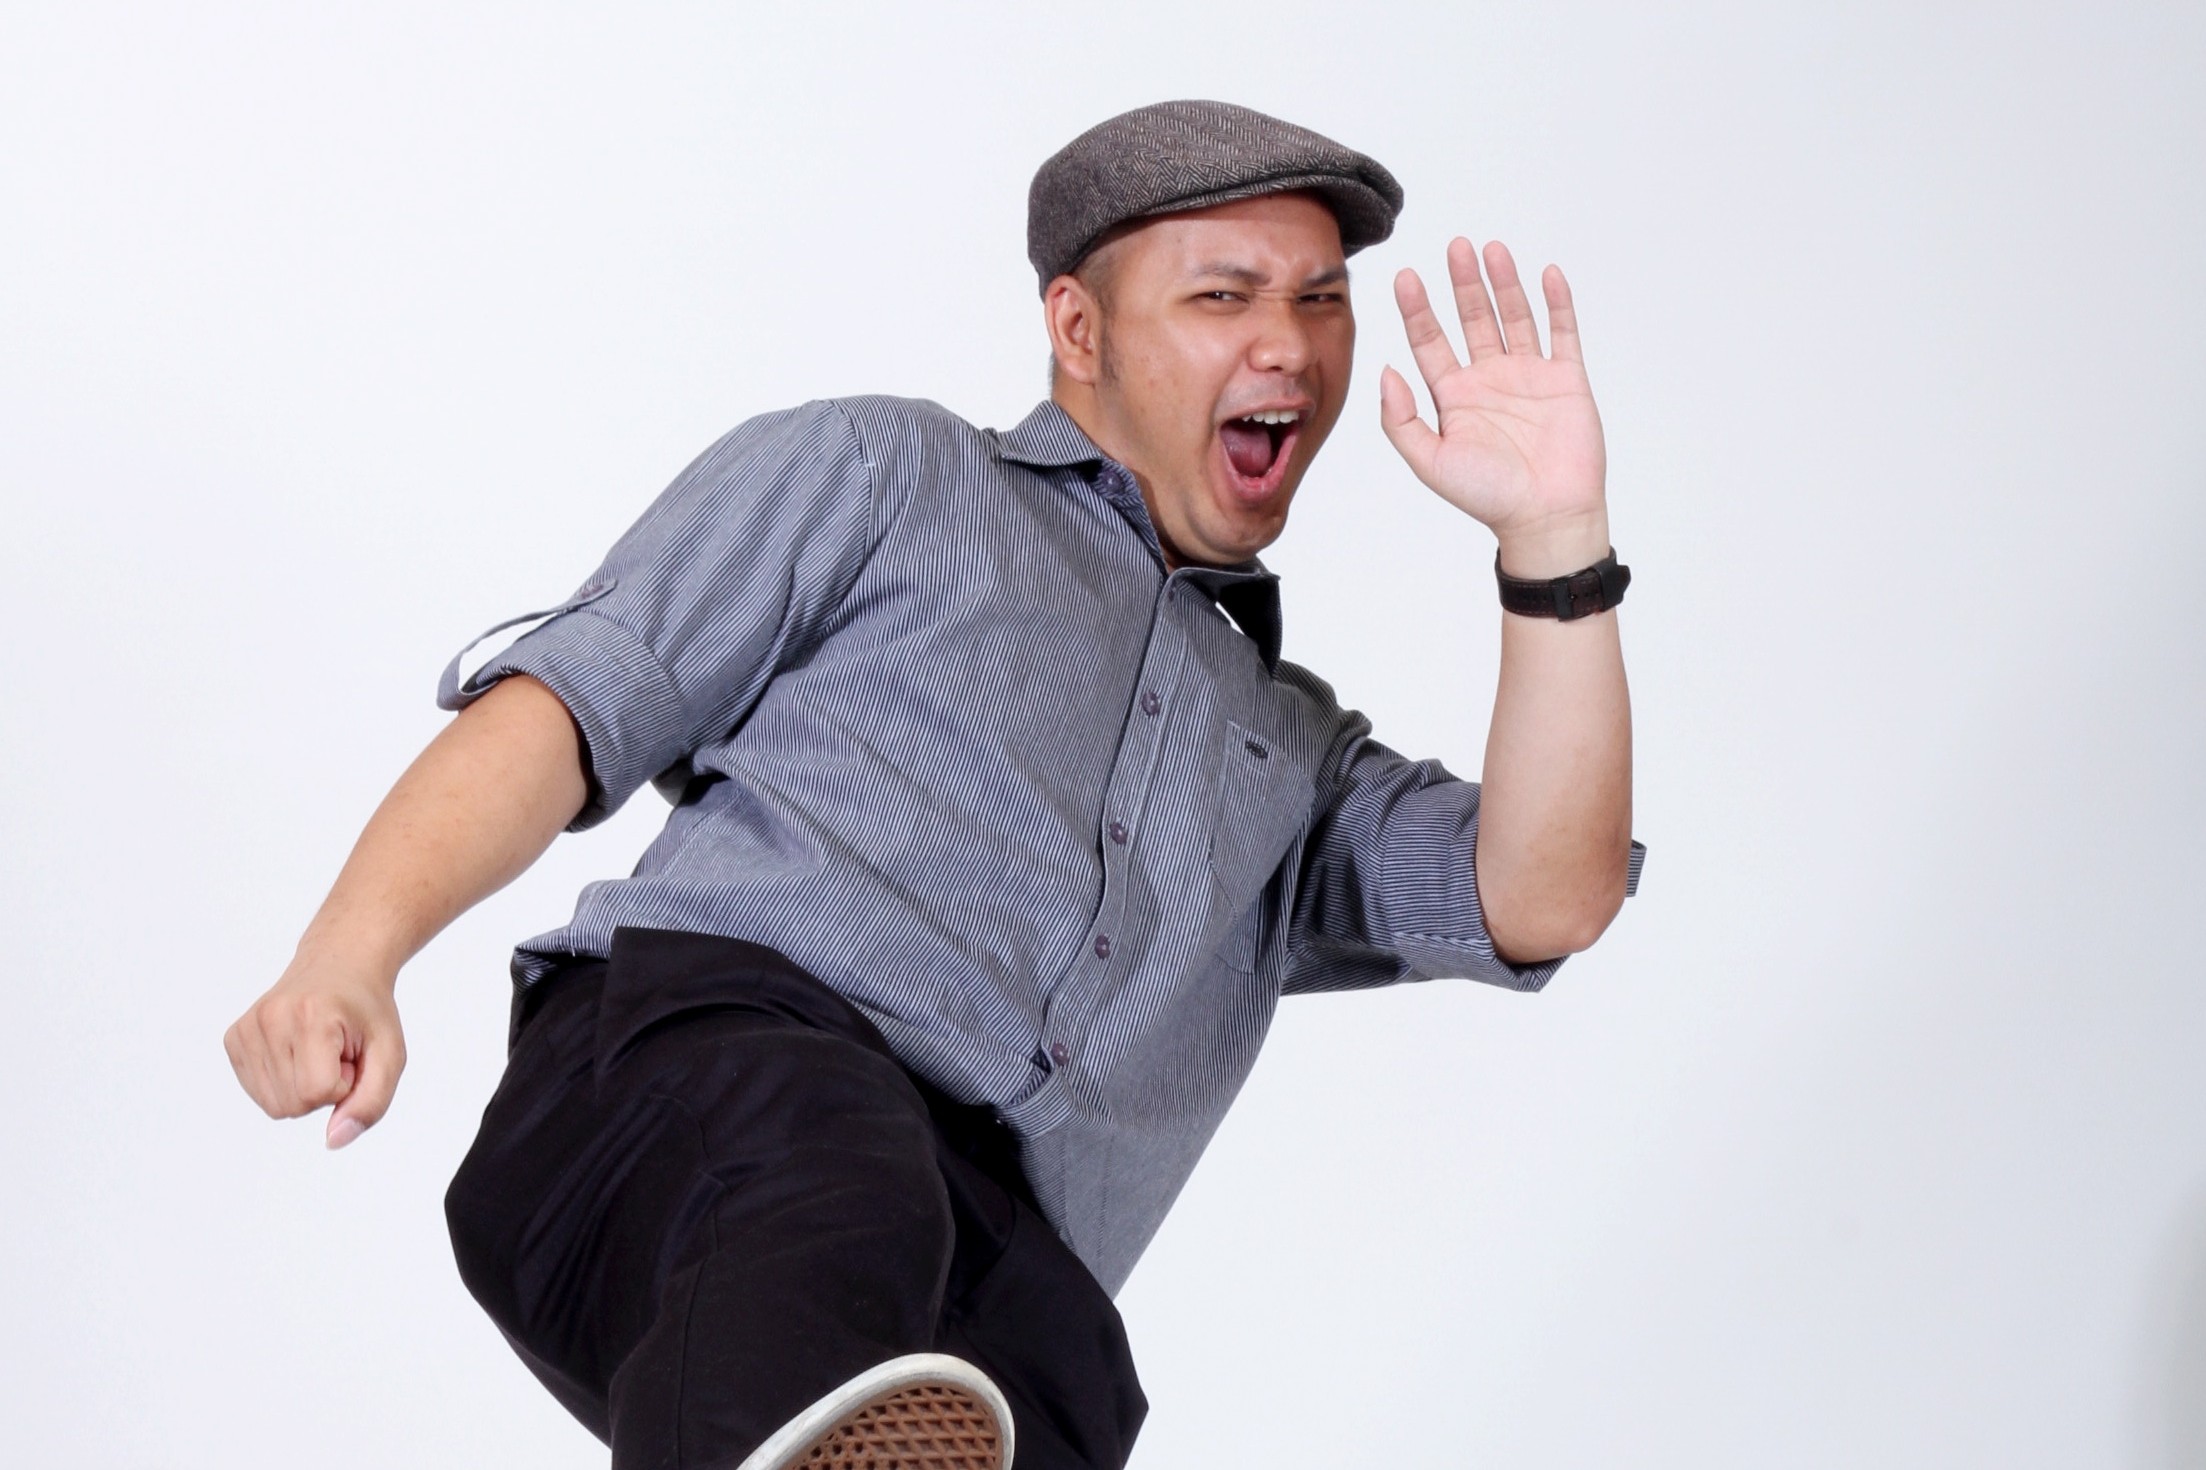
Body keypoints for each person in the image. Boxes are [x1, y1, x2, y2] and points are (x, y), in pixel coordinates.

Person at [222, 98, 1644, 1470]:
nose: (1289, 344)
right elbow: (568, 707)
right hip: (689, 1103)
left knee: (1062, 1374)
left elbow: (1542, 894)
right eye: (1225, 297)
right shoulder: (886, 476)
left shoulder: (1293, 756)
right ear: (1078, 328)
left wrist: (1555, 542)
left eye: (1322, 301)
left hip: (974, 1299)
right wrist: (351, 951)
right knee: (842, 1172)